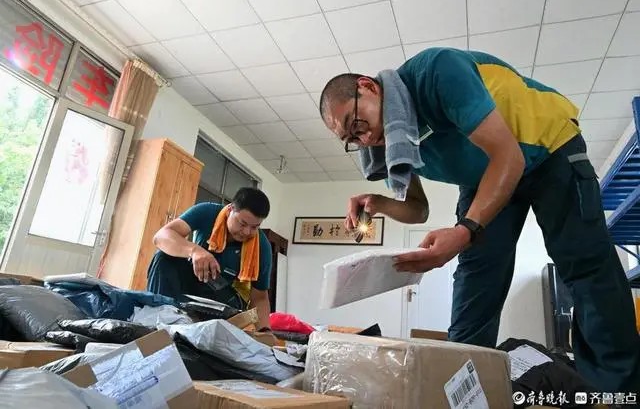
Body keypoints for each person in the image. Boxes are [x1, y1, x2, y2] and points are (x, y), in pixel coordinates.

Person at [319, 47, 640, 392]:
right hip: (484, 174)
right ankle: (465, 387)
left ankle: (617, 390)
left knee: (583, 262)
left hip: (547, 146)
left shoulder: (435, 72)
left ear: (368, 87)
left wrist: (466, 229)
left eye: (356, 124)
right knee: (477, 276)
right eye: (352, 139)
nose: (365, 138)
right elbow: (417, 209)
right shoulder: (388, 143)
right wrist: (379, 203)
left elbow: (509, 157)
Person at [147, 187, 273, 330]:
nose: (246, 232)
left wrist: (265, 332)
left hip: (224, 299)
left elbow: (260, 297)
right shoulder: (207, 212)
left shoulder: (262, 247)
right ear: (231, 209)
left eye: (254, 227)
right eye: (242, 223)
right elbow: (161, 237)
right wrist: (195, 251)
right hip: (193, 280)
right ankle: (156, 323)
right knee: (163, 257)